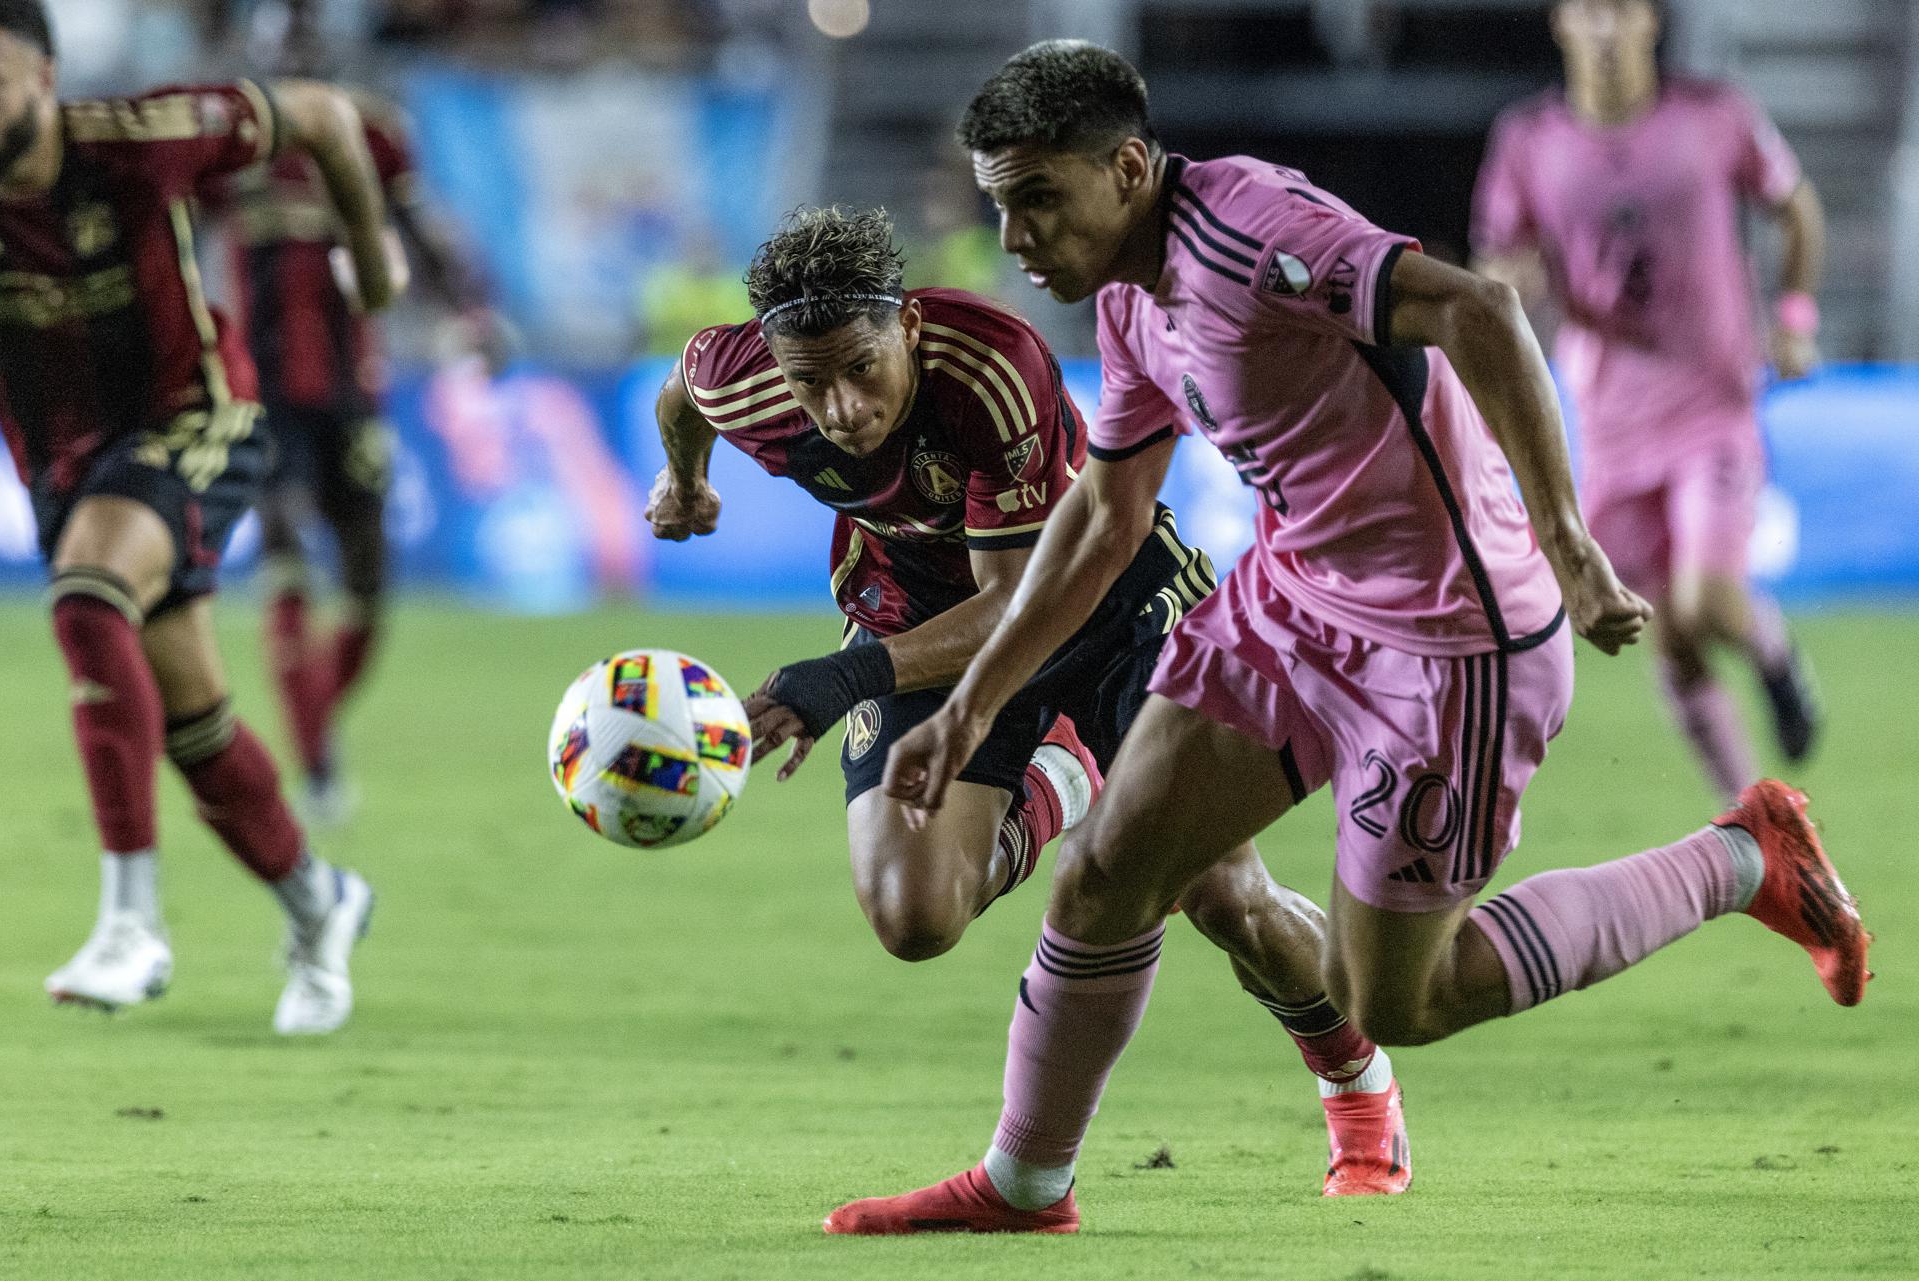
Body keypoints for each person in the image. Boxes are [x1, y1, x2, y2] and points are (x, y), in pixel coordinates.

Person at [823, 40, 1869, 1236]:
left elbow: (1479, 306)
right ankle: (1025, 1183)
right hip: (1296, 597)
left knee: (1403, 996)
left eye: (1036, 202)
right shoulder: (1125, 294)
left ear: (1124, 167)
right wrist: (969, 710)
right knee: (1110, 870)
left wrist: (1566, 541)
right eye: (1001, 206)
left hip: (1450, 636)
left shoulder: (1252, 232)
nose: (1014, 240)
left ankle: (1743, 861)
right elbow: (1105, 517)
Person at [645, 205, 1414, 1196]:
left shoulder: (993, 369)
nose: (840, 410)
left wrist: (841, 678)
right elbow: (681, 394)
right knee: (913, 915)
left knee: (1223, 896)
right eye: (811, 382)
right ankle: (1071, 775)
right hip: (915, 610)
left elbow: (1015, 606)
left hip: (1100, 601)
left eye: (861, 371)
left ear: (908, 329)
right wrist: (683, 484)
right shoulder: (735, 373)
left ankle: (1358, 1085)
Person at [0, 0, 397, 1034]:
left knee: (89, 600)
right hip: (67, 468)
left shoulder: (141, 137)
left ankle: (131, 920)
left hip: (198, 420)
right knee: (194, 730)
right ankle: (321, 902)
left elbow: (317, 113)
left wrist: (373, 252)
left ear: (44, 77)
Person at [1472, 0, 1825, 806]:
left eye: (1621, 11)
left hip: (1713, 404)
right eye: (1589, 11)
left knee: (1706, 598)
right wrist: (1514, 282)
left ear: (1650, 23)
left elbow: (1797, 207)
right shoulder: (1528, 142)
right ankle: (1757, 820)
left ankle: (1774, 655)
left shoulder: (1713, 116)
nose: (1605, 29)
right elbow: (1500, 266)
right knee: (1666, 634)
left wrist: (1795, 318)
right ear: (1561, 23)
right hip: (1608, 423)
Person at [208, 9, 501, 824]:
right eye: (281, 40)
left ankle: (313, 722)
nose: (295, 53)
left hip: (351, 394)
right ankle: (318, 768)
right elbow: (166, 234)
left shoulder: (372, 137)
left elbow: (422, 229)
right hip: (257, 397)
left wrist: (472, 311)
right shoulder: (229, 138)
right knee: (286, 556)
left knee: (370, 588)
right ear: (259, 50)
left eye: (307, 37)